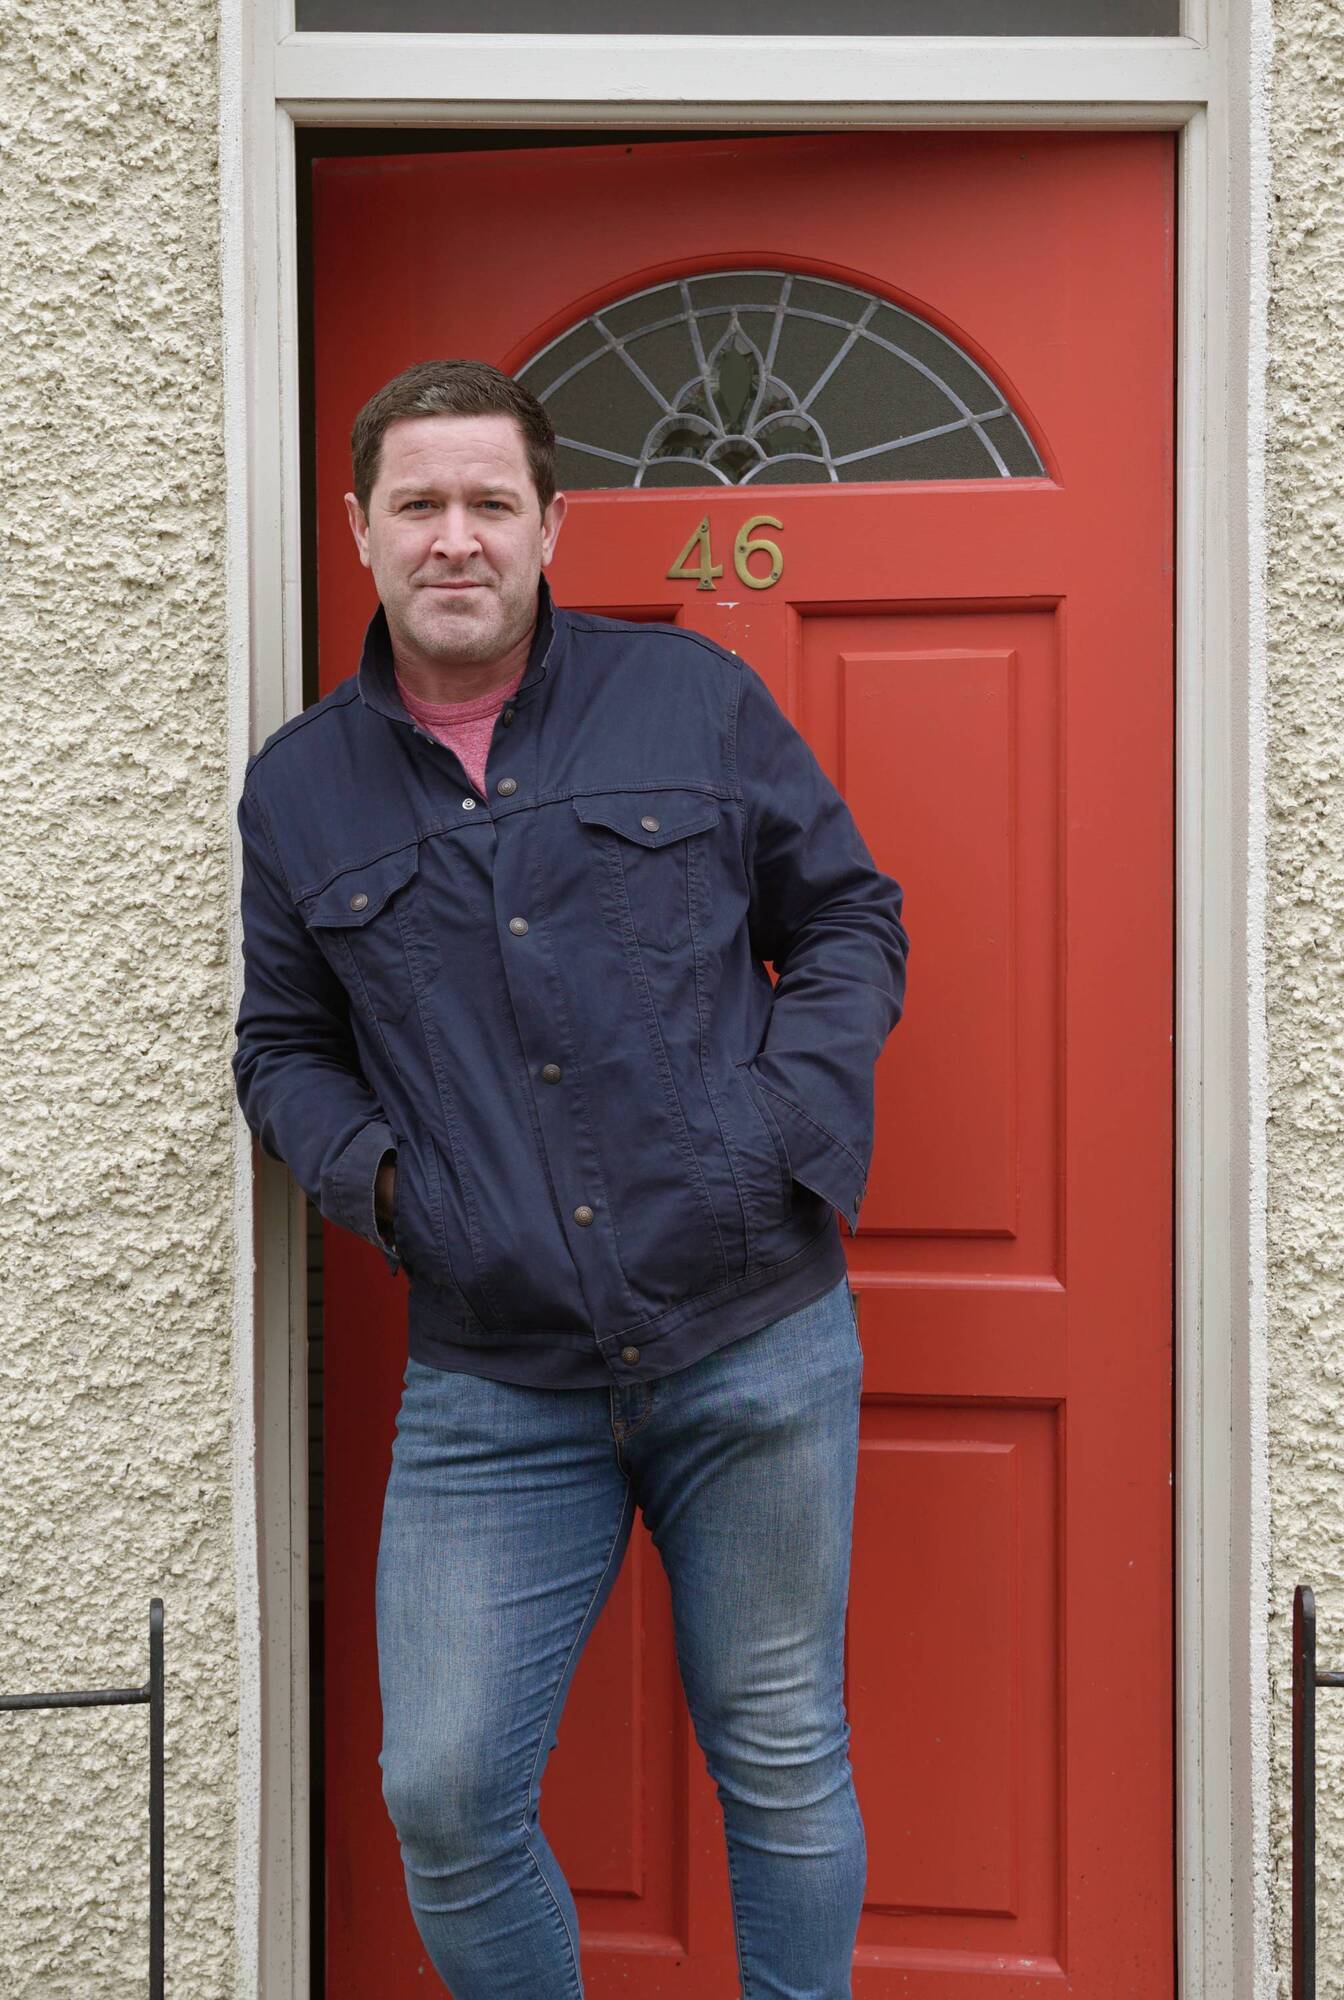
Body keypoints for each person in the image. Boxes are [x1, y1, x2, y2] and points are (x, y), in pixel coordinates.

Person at [231, 358, 910, 1999]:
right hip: (496, 1376)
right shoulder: (302, 789)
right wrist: (396, 1195)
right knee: (444, 1793)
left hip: (754, 1339)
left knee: (781, 1752)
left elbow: (846, 917)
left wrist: (781, 1132)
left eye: (489, 502)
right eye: (418, 504)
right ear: (360, 531)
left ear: (551, 525)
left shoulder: (691, 703)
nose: (453, 537)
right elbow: (283, 1048)